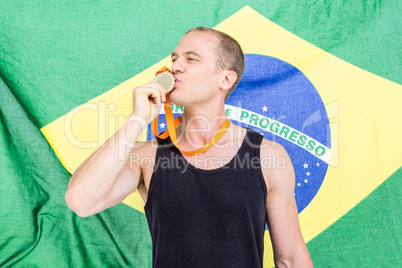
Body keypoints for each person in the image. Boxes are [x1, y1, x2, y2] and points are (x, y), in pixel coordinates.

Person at [65, 27, 313, 267]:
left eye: (191, 59)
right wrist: (137, 119)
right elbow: (80, 201)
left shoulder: (267, 156)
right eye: (174, 59)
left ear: (226, 78)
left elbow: (290, 259)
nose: (175, 67)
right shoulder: (147, 157)